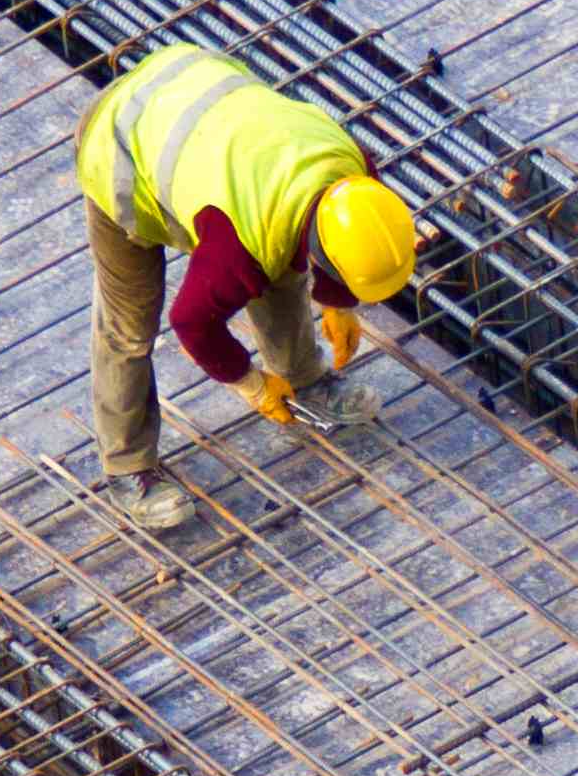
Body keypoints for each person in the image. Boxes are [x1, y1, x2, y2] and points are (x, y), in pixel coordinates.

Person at [78, 38, 420, 533]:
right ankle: (129, 469)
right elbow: (192, 323)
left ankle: (305, 380)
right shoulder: (237, 241)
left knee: (280, 262)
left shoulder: (355, 174)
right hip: (120, 148)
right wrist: (251, 384)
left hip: (192, 89)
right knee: (129, 327)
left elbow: (309, 250)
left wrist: (338, 304)